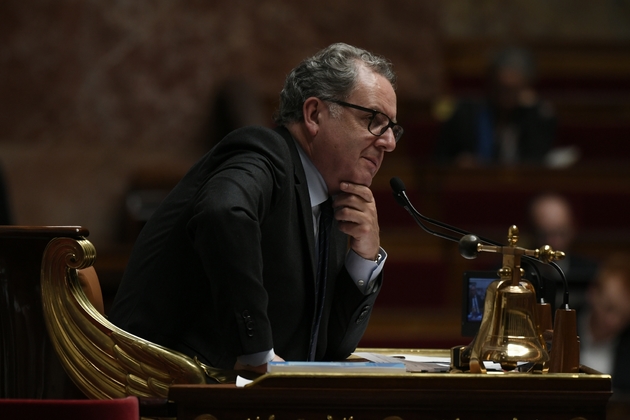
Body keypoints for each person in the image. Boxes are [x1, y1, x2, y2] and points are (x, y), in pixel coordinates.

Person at [108, 43, 402, 374]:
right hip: (162, 386)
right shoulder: (263, 155)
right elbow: (223, 213)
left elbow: (330, 347)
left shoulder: (334, 197)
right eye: (374, 120)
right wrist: (256, 352)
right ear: (314, 114)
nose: (388, 141)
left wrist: (363, 258)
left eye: (392, 128)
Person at [435, 46, 556, 166]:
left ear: (526, 86)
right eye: (501, 88)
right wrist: (457, 163)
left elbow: (536, 162)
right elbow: (438, 161)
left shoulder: (538, 116)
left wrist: (532, 109)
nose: (505, 96)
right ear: (491, 82)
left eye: (512, 90)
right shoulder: (464, 115)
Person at [528, 192, 599, 310]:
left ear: (572, 231)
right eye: (544, 234)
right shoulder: (513, 273)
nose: (552, 243)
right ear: (531, 233)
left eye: (560, 233)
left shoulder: (591, 273)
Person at [578, 253, 630, 393]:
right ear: (592, 292)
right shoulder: (559, 329)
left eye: (624, 316)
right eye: (609, 308)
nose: (613, 322)